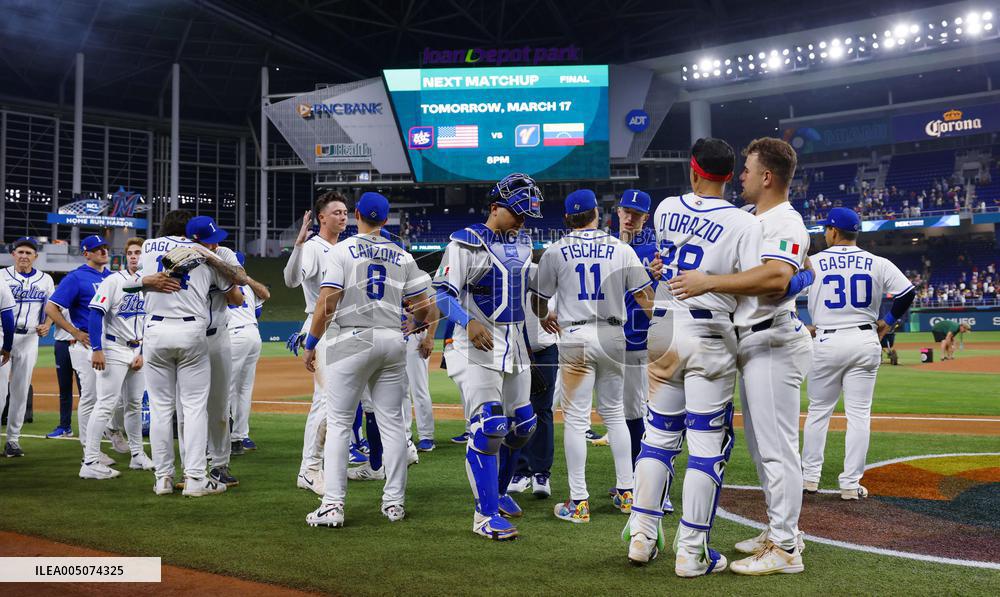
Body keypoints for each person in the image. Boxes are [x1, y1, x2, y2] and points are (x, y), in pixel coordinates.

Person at [669, 137, 811, 576]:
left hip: (772, 339)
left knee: (777, 450)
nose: (741, 175)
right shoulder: (752, 217)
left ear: (767, 177)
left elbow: (775, 277)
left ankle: (786, 548)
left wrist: (709, 282)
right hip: (753, 340)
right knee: (763, 447)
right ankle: (779, 530)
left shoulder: (785, 220)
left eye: (748, 169)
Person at [627, 138, 762, 575]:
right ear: (730, 175)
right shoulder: (745, 223)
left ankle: (642, 537)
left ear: (693, 170)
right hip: (709, 329)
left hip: (664, 327)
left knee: (658, 436)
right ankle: (691, 552)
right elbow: (749, 283)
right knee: (707, 445)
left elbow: (668, 256)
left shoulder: (666, 208)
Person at [302, 192, 433, 527]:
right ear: (385, 220)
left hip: (352, 337)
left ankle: (332, 506)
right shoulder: (402, 255)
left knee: (340, 423)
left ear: (357, 214)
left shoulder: (342, 249)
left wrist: (312, 342)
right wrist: (416, 324)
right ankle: (394, 504)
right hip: (391, 338)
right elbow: (425, 305)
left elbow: (327, 303)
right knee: (392, 424)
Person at [533, 188, 655, 524]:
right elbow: (646, 296)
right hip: (615, 335)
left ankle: (579, 501)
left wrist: (545, 315)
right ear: (597, 215)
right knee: (614, 414)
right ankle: (627, 493)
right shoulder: (621, 248)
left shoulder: (556, 251)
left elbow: (539, 301)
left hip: (575, 335)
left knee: (575, 420)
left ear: (568, 218)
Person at [433, 172, 541, 540]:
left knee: (523, 425)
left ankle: (498, 490)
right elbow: (442, 293)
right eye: (517, 212)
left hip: (513, 344)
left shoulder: (523, 247)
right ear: (495, 208)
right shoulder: (464, 244)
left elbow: (521, 298)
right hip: (475, 345)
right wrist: (466, 322)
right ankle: (485, 514)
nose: (522, 221)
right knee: (490, 427)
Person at [798, 208, 915, 501]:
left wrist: (798, 325)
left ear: (834, 232)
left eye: (826, 229)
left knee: (818, 413)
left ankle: (809, 478)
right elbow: (907, 293)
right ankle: (850, 484)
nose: (825, 234)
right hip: (865, 339)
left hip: (826, 339)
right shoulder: (877, 262)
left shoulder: (814, 262)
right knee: (859, 416)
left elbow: (782, 291)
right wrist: (888, 321)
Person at [141, 210, 247, 497]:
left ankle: (163, 478)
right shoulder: (202, 254)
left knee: (163, 410)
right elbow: (238, 291)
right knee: (195, 408)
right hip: (192, 333)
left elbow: (137, 284)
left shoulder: (148, 247)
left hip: (155, 331)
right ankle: (196, 478)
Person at [283, 193, 371, 495]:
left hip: (348, 327)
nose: (343, 217)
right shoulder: (313, 248)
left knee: (355, 396)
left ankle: (375, 455)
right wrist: (298, 245)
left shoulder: (347, 248)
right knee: (323, 400)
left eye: (346, 212)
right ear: (322, 217)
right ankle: (308, 469)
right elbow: (291, 281)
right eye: (336, 212)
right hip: (322, 327)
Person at [80, 237, 152, 478]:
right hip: (113, 348)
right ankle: (89, 462)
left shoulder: (151, 284)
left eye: (139, 252)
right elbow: (95, 314)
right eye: (130, 252)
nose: (134, 256)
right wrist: (97, 348)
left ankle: (137, 455)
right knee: (105, 405)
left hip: (138, 350)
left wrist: (142, 352)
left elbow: (150, 323)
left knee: (133, 405)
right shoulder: (113, 281)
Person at [186, 215, 247, 488]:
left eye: (215, 240)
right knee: (189, 406)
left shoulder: (224, 253)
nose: (215, 245)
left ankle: (220, 464)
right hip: (192, 337)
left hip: (219, 334)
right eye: (208, 242)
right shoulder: (181, 258)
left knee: (220, 404)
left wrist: (217, 266)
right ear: (194, 241)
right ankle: (192, 466)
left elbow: (237, 298)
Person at [45, 235, 113, 464]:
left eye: (105, 247)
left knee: (109, 398)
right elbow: (51, 308)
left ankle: (98, 443)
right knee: (90, 397)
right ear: (87, 253)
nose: (103, 252)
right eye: (97, 249)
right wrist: (73, 332)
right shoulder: (76, 277)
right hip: (84, 345)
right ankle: (89, 450)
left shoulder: (113, 277)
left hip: (109, 344)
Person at [614, 191, 660, 467]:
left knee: (644, 413)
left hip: (642, 342)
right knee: (624, 411)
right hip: (613, 340)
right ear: (618, 211)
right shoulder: (609, 247)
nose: (630, 218)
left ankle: (642, 476)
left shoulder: (656, 250)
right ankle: (632, 476)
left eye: (637, 214)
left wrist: (658, 277)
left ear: (646, 217)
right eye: (626, 211)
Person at [507, 263, 558, 498]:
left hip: (544, 347)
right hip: (516, 349)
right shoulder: (507, 271)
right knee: (517, 411)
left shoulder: (543, 271)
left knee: (543, 411)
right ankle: (520, 471)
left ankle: (541, 473)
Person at [1, 237, 54, 456]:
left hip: (30, 337)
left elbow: (52, 307)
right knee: (0, 390)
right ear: (13, 254)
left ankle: (13, 440)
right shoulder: (2, 276)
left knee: (21, 391)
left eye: (28, 253)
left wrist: (47, 325)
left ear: (35, 256)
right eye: (20, 252)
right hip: (2, 335)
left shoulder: (46, 280)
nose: (24, 256)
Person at [228, 251, 270, 454]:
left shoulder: (220, 281)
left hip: (235, 335)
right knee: (243, 390)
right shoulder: (248, 286)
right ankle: (239, 437)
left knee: (225, 389)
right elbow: (261, 306)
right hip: (252, 335)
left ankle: (225, 438)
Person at [402, 301, 436, 452]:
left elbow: (434, 307)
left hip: (416, 334)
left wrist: (430, 337)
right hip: (394, 334)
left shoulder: (420, 278)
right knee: (400, 391)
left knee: (419, 388)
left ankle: (426, 435)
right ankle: (405, 435)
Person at [46, 306, 79, 438]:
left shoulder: (89, 287)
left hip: (82, 343)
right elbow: (51, 311)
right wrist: (48, 324)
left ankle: (93, 428)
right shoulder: (61, 293)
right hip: (62, 343)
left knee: (87, 391)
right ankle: (65, 427)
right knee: (64, 388)